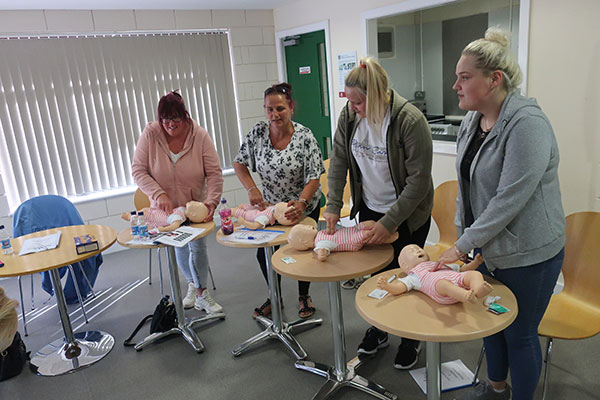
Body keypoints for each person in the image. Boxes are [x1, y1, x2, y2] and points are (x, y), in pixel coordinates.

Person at [436, 28, 565, 400]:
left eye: (464, 77)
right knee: (489, 321)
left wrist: (462, 245)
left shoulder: (528, 125)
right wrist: (466, 238)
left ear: (494, 80)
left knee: (519, 332)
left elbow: (510, 198)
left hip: (531, 253)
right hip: (488, 248)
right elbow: (466, 185)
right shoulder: (473, 121)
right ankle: (495, 389)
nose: (455, 85)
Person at [323, 57, 434, 370]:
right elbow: (339, 160)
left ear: (376, 96)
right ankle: (381, 328)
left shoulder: (409, 121)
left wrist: (390, 222)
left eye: (358, 102)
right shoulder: (349, 116)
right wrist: (333, 204)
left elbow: (419, 181)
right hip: (371, 206)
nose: (352, 107)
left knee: (407, 275)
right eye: (349, 101)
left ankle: (411, 336)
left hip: (408, 213)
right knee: (376, 274)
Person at [233, 82, 325, 319]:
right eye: (269, 109)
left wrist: (302, 203)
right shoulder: (257, 133)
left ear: (291, 107)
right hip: (272, 208)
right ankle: (274, 296)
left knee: (302, 250)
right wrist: (252, 188)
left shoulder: (305, 136)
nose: (275, 115)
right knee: (264, 253)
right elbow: (239, 162)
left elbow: (315, 175)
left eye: (280, 109)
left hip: (303, 206)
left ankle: (304, 295)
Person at [132, 91, 224, 314]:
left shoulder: (199, 135)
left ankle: (202, 293)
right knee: (179, 246)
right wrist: (158, 194)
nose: (170, 124)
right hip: (165, 209)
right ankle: (192, 284)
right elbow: (138, 170)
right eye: (165, 119)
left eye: (175, 119)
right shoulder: (151, 133)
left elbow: (213, 173)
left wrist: (211, 202)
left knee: (198, 246)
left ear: (185, 116)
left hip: (195, 206)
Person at [377, 245, 491, 304]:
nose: (417, 251)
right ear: (405, 266)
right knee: (443, 284)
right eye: (412, 252)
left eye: (419, 248)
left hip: (457, 280)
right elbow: (399, 288)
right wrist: (387, 286)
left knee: (474, 274)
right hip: (442, 292)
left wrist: (475, 263)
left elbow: (462, 269)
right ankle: (464, 296)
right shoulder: (413, 275)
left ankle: (478, 290)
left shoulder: (438, 263)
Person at [287, 221, 399, 261]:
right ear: (304, 241)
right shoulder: (319, 243)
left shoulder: (319, 234)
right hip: (351, 241)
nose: (308, 226)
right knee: (367, 235)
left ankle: (388, 226)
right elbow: (322, 250)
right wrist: (322, 255)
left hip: (350, 231)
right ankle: (391, 237)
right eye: (305, 228)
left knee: (368, 224)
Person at [121, 201, 209, 232]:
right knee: (145, 210)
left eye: (197, 204)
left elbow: (174, 226)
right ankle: (132, 216)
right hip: (159, 212)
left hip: (158, 218)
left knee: (144, 213)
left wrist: (162, 229)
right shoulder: (183, 209)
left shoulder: (178, 218)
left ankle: (130, 217)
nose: (196, 202)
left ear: (193, 214)